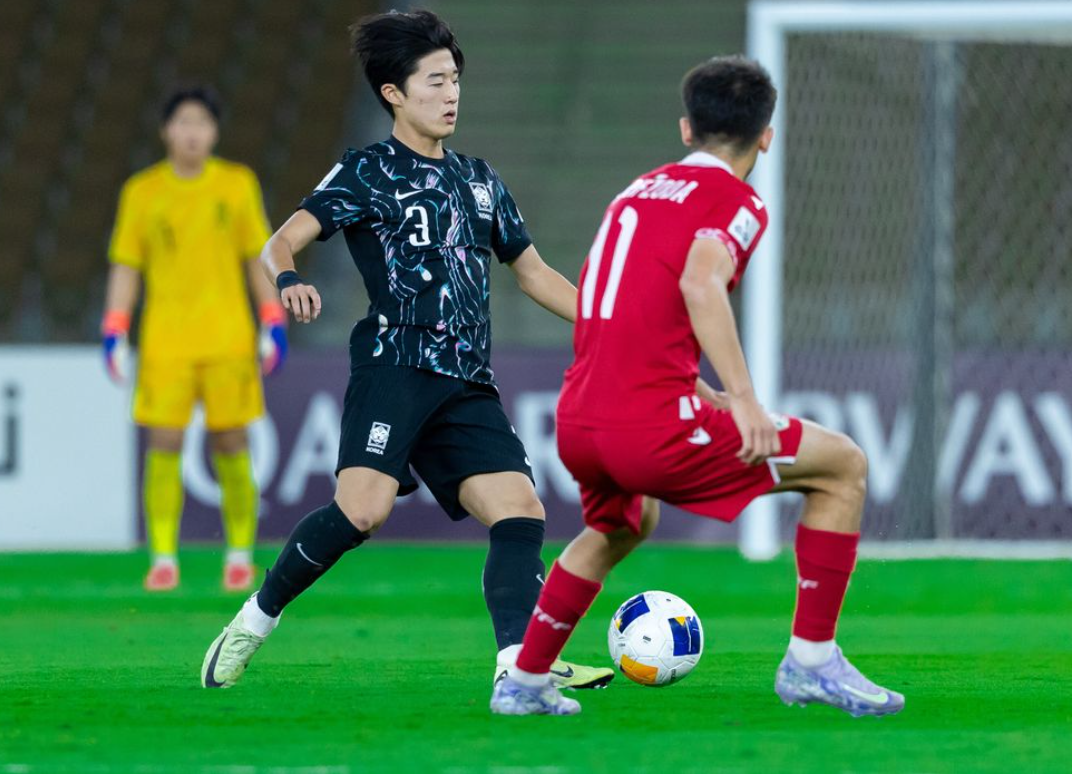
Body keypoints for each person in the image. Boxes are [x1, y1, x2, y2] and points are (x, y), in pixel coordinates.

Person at [200, 10, 612, 692]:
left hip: (466, 380)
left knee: (520, 511)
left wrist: (607, 323)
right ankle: (254, 620)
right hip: (396, 366)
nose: (451, 95)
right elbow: (280, 241)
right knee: (363, 511)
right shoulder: (365, 172)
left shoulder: (480, 179)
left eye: (455, 80)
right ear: (393, 93)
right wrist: (289, 280)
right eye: (434, 82)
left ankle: (520, 666)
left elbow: (534, 272)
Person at [491, 55, 905, 717]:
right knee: (843, 467)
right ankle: (811, 662)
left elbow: (616, 305)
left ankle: (524, 681)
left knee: (621, 525)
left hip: (581, 418)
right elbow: (700, 282)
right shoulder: (738, 201)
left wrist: (700, 390)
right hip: (649, 429)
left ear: (687, 129)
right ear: (766, 136)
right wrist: (743, 401)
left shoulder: (637, 191)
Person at [102, 86, 286, 593]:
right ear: (166, 130)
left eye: (201, 123)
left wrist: (272, 318)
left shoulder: (236, 184)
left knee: (232, 441)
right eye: (183, 122)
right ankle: (163, 557)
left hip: (228, 338)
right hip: (166, 341)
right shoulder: (142, 191)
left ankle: (240, 556)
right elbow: (126, 264)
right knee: (163, 442)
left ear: (214, 132)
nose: (192, 132)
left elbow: (257, 256)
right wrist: (115, 326)